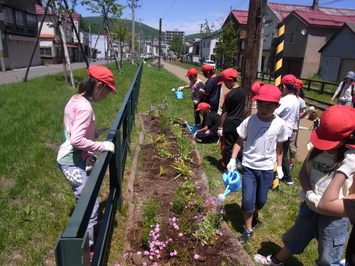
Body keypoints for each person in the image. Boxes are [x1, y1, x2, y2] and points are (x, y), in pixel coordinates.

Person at [254, 105, 355, 266]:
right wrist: (309, 193)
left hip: (334, 218)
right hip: (309, 206)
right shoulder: (316, 150)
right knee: (296, 237)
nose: (325, 145)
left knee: (328, 256)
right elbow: (303, 173)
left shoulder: (350, 161)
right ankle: (276, 260)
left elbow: (352, 197)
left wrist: (328, 205)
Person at [56, 65, 116, 248]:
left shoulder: (75, 99)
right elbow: (76, 140)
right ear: (98, 86)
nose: (106, 97)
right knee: (91, 205)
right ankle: (87, 248)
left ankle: (85, 224)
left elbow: (73, 129)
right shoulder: (85, 108)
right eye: (107, 92)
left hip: (71, 158)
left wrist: (93, 133)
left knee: (85, 197)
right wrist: (101, 146)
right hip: (72, 162)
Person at [227, 84, 288, 243]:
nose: (263, 108)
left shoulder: (280, 124)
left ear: (277, 106)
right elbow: (239, 141)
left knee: (260, 200)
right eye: (260, 103)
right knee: (248, 199)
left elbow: (279, 147)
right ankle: (248, 229)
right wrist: (233, 159)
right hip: (249, 166)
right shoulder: (250, 121)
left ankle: (253, 212)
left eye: (269, 105)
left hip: (267, 168)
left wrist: (280, 166)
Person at [275, 74, 300, 185]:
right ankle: (287, 177)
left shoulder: (285, 100)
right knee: (283, 153)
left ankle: (282, 176)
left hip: (280, 130)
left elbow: (275, 112)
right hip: (288, 130)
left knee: (279, 153)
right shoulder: (296, 99)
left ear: (284, 86)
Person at [218, 68, 246, 169]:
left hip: (229, 123)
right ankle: (239, 163)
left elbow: (224, 112)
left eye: (225, 82)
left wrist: (220, 127)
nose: (225, 85)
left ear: (230, 80)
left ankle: (227, 166)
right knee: (237, 145)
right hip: (239, 122)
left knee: (228, 147)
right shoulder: (242, 92)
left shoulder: (230, 95)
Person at [288, 78, 308, 170]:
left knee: (292, 147)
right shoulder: (287, 98)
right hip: (285, 126)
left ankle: (291, 162)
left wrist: (306, 112)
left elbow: (300, 116)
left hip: (293, 128)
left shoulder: (300, 101)